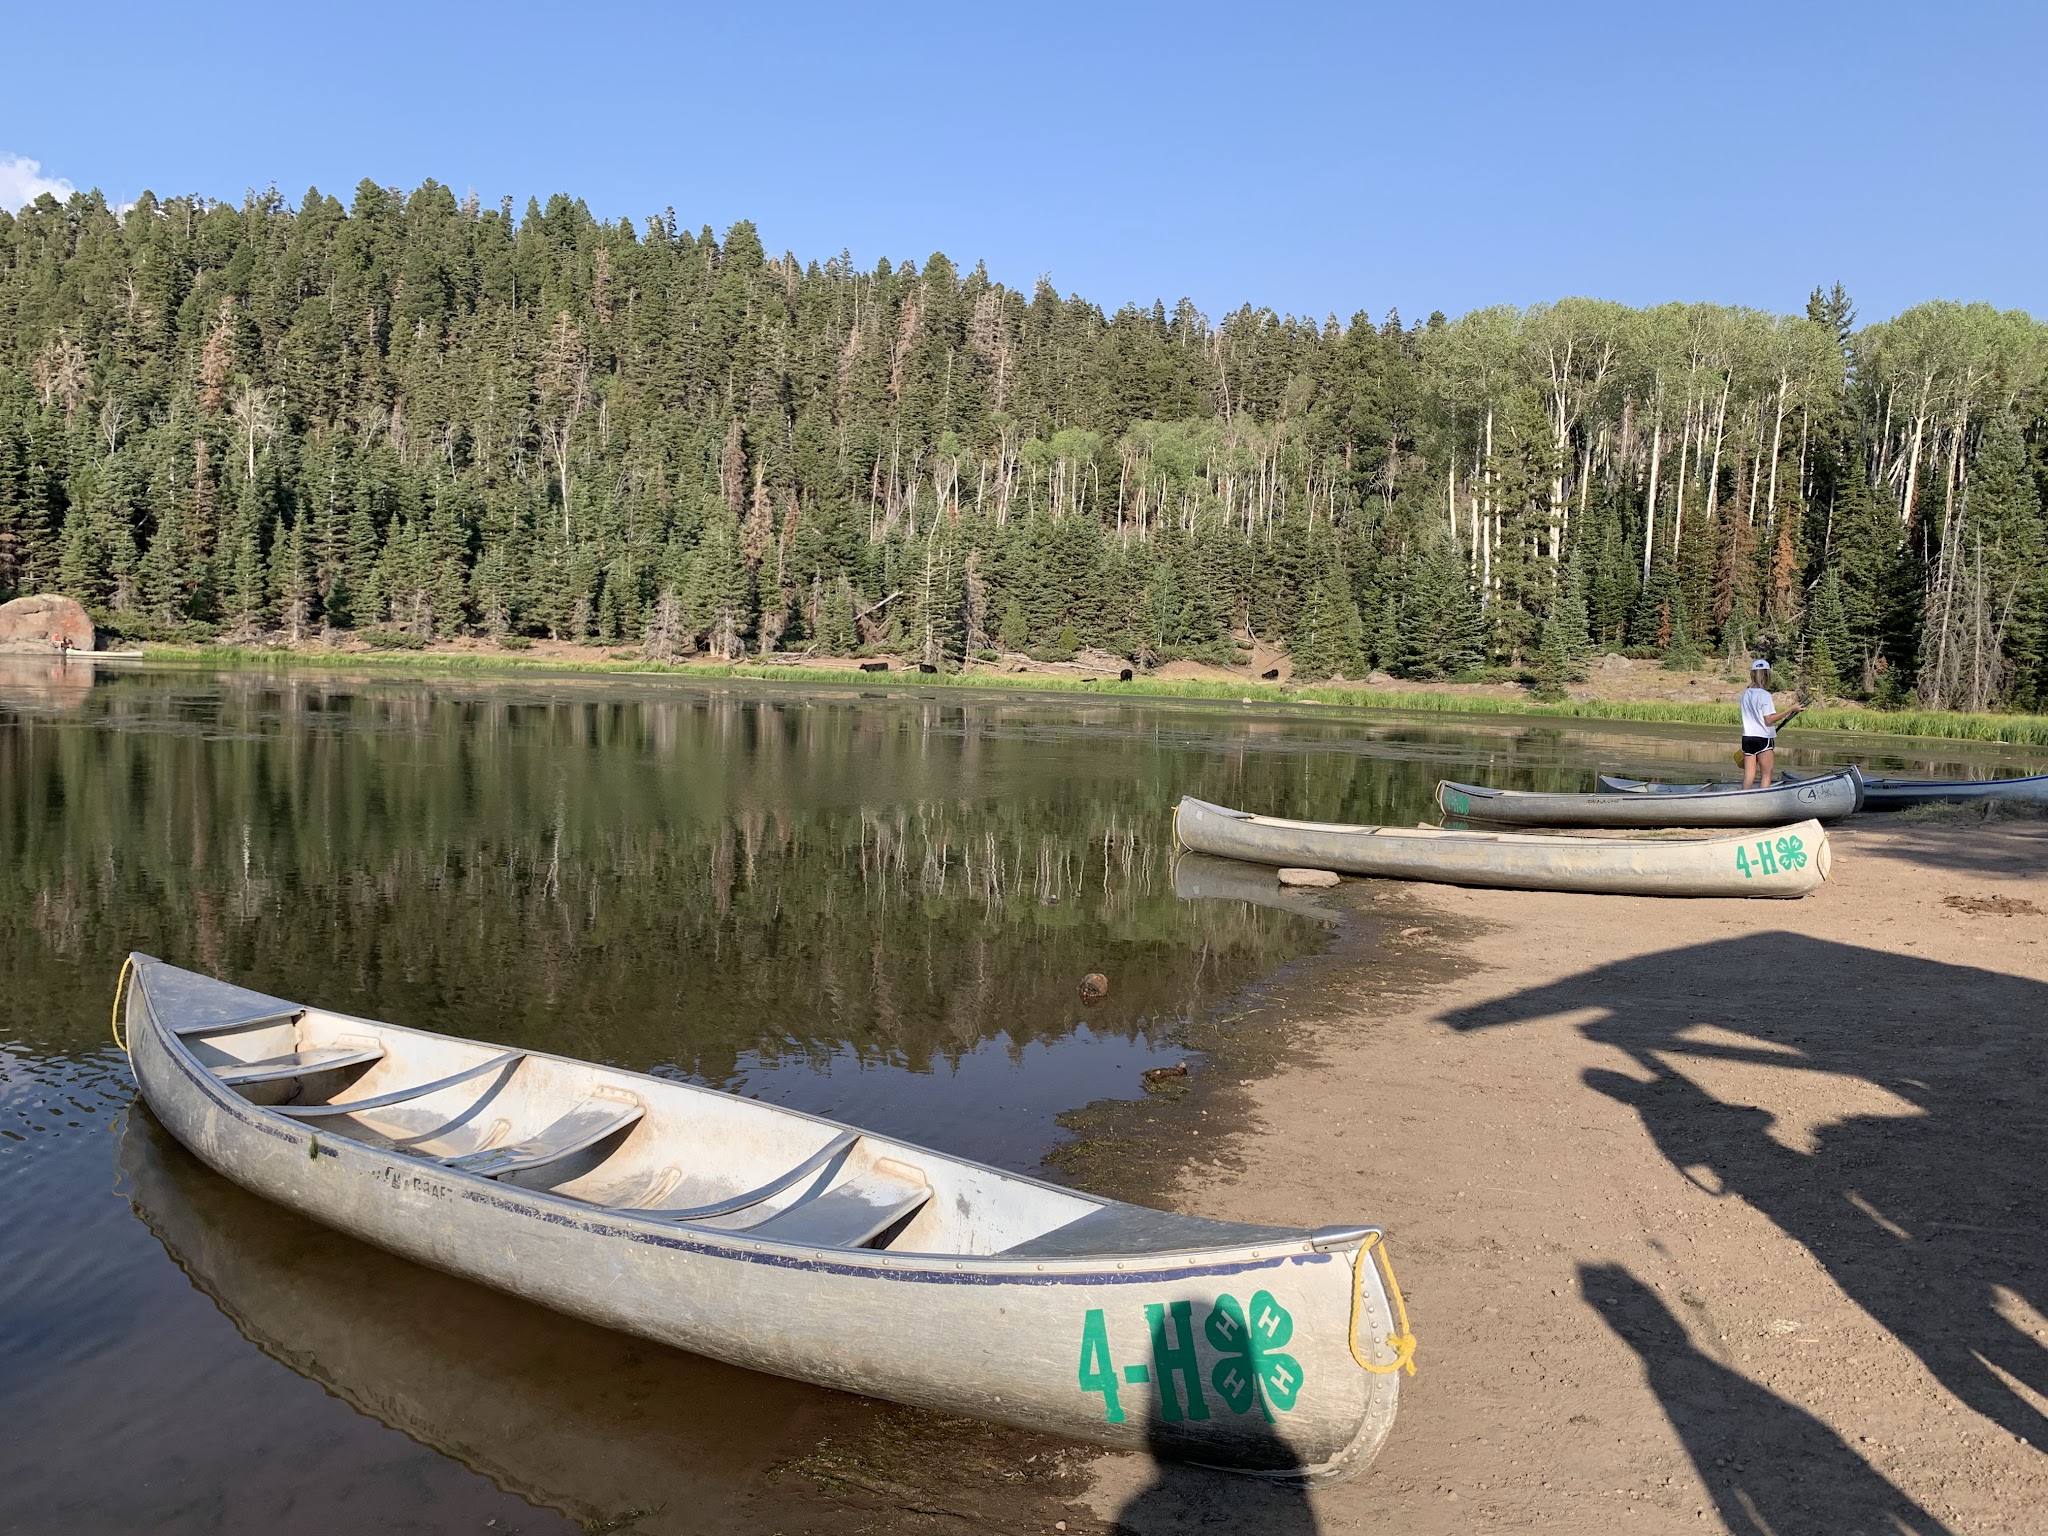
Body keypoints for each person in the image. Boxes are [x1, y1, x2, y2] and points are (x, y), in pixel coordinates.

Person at [1739, 659, 1805, 788]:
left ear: (1752, 675)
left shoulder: (1744, 694)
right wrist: (1791, 709)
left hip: (1747, 738)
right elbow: (1768, 719)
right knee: (1766, 774)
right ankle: (1763, 798)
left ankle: (1744, 797)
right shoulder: (1765, 695)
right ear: (1766, 675)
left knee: (1749, 775)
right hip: (1763, 738)